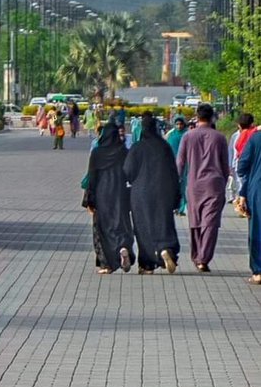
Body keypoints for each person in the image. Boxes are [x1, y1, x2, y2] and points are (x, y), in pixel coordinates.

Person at [124, 113, 181, 274]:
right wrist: (176, 196)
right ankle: (165, 248)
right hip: (164, 191)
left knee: (143, 226)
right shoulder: (164, 147)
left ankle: (147, 264)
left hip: (141, 193)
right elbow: (173, 172)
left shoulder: (137, 147)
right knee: (164, 222)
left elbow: (128, 171)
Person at [176, 102, 230, 272]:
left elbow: (181, 162)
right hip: (214, 184)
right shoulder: (219, 138)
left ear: (197, 117)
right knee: (210, 222)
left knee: (195, 221)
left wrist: (175, 181)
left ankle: (196, 255)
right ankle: (203, 258)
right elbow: (225, 165)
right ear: (212, 117)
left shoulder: (187, 136)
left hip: (194, 184)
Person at [82, 119, 134, 274]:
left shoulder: (97, 152)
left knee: (103, 228)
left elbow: (92, 176)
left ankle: (107, 264)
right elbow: (129, 173)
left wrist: (88, 200)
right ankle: (123, 247)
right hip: (120, 193)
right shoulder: (123, 151)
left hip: (102, 194)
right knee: (121, 224)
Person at [237, 129, 261, 284]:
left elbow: (242, 166)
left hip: (257, 189)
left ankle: (258, 272)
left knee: (257, 230)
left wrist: (243, 192)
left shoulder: (256, 138)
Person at [231, 112, 256, 208]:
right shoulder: (253, 133)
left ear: (239, 125)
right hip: (252, 165)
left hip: (243, 164)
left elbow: (237, 148)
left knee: (243, 186)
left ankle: (241, 204)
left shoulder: (242, 135)